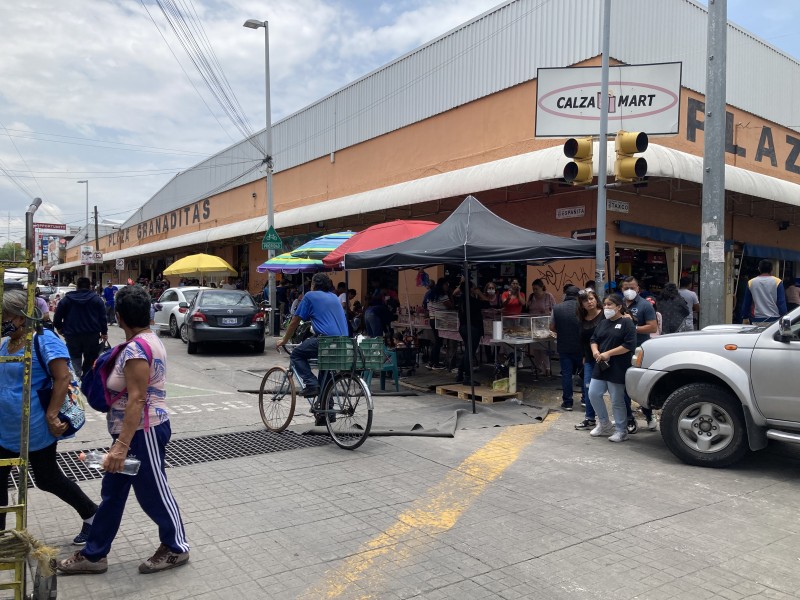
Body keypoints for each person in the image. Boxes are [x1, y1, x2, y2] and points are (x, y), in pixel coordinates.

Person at [57, 285, 190, 575]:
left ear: (119, 317)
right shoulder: (142, 342)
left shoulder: (138, 349)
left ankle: (176, 547)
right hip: (130, 433)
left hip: (145, 433)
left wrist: (121, 446)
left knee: (154, 492)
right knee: (113, 494)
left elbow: (138, 399)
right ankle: (95, 555)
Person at [0, 290, 98, 545]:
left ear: (21, 317)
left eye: (5, 315)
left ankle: (92, 515)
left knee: (47, 478)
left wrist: (52, 414)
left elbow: (63, 377)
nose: (2, 320)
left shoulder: (43, 341)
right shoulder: (4, 343)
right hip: (6, 427)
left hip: (35, 426)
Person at [276, 274, 348, 406]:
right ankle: (326, 412)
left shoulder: (310, 296)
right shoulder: (333, 297)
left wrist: (284, 340)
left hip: (326, 340)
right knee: (325, 372)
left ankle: (311, 384)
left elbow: (295, 321)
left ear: (314, 284)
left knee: (296, 355)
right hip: (343, 342)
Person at [587, 293, 637, 443]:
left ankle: (621, 430)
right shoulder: (603, 323)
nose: (606, 307)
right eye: (605, 304)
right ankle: (604, 423)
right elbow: (594, 339)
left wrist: (608, 353)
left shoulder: (627, 323)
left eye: (610, 304)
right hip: (601, 365)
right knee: (593, 393)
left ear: (619, 307)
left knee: (616, 399)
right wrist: (595, 351)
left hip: (618, 366)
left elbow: (629, 345)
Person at [620, 276, 658, 431]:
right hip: (622, 351)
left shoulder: (645, 305)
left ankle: (648, 415)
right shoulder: (618, 305)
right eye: (625, 288)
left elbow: (652, 327)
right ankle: (629, 418)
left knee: (640, 385)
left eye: (632, 287)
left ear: (638, 289)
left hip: (640, 351)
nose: (629, 290)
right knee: (624, 387)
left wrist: (632, 327)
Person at [53, 277, 108, 378]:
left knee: (74, 358)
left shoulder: (66, 300)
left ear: (77, 287)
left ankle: (76, 380)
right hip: (92, 336)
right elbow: (103, 318)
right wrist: (104, 333)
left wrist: (60, 328)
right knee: (90, 359)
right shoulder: (96, 299)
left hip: (72, 335)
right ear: (90, 286)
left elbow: (57, 317)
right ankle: (86, 380)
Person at [574, 289, 603, 431]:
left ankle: (626, 420)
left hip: (607, 358)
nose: (589, 302)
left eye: (591, 299)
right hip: (590, 359)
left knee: (616, 392)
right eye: (586, 300)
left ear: (596, 299)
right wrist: (585, 356)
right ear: (582, 304)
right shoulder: (582, 319)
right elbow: (583, 340)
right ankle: (590, 418)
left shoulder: (605, 315)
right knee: (588, 389)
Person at [550, 285, 582, 411]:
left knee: (567, 375)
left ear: (565, 295)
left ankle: (568, 402)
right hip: (581, 346)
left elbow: (552, 327)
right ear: (578, 296)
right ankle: (585, 400)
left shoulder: (557, 308)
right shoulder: (582, 307)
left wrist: (561, 332)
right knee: (584, 374)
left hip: (564, 346)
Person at [454, 278, 485, 386]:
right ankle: (467, 377)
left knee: (468, 350)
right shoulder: (472, 301)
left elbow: (454, 294)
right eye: (474, 287)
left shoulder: (461, 299)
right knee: (470, 352)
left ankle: (460, 373)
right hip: (473, 328)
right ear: (471, 289)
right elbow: (487, 303)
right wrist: (480, 293)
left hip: (463, 327)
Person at [526, 279, 555, 376]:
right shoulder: (531, 297)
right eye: (533, 289)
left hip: (545, 325)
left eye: (536, 289)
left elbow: (554, 309)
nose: (534, 291)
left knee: (544, 348)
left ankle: (547, 368)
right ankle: (537, 367)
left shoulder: (548, 296)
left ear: (542, 287)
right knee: (536, 348)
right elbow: (528, 309)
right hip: (533, 325)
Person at [425, 278, 452, 370]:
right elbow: (449, 305)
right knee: (438, 342)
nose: (447, 287)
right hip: (439, 320)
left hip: (432, 318)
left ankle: (431, 362)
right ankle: (434, 362)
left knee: (437, 341)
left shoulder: (431, 294)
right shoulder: (442, 295)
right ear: (442, 285)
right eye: (446, 285)